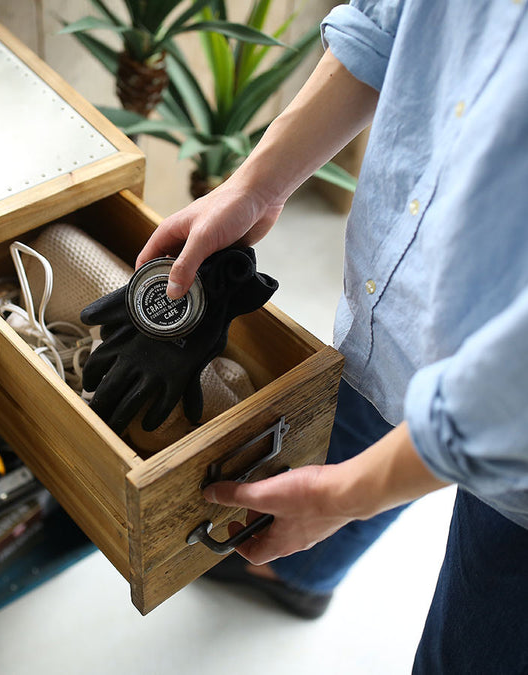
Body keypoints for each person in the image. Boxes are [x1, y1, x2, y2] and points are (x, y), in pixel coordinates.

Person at [135, 1, 528, 671]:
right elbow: (389, 22)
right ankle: (302, 577)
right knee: (348, 422)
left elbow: (502, 402)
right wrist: (256, 185)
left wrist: (350, 496)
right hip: (395, 306)